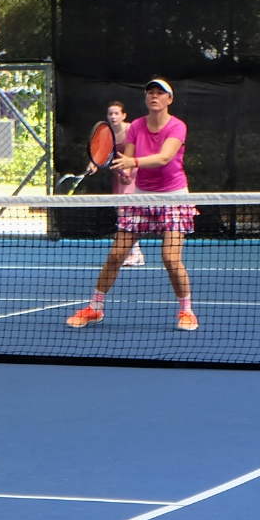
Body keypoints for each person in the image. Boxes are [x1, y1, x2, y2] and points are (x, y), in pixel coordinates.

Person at [66, 78, 197, 332]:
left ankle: (186, 311)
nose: (154, 96)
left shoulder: (177, 126)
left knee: (170, 258)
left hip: (174, 197)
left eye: (160, 93)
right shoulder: (136, 126)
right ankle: (95, 307)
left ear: (169, 99)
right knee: (116, 255)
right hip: (141, 196)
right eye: (150, 93)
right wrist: (125, 172)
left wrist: (133, 163)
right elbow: (128, 159)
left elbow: (164, 158)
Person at [88, 100, 144, 267]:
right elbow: (99, 152)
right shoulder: (106, 132)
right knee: (122, 212)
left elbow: (140, 150)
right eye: (110, 113)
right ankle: (136, 253)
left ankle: (135, 254)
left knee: (125, 212)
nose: (113, 116)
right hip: (118, 175)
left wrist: (129, 169)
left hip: (133, 172)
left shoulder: (131, 129)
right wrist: (93, 164)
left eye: (116, 113)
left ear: (123, 115)